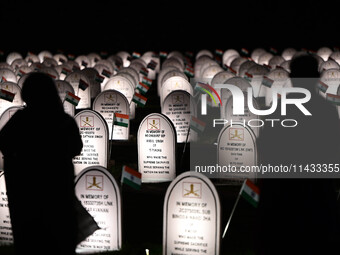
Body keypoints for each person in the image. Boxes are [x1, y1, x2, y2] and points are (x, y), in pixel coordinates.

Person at [257, 55, 340, 255]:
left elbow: (265, 156)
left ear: (292, 78)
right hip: (317, 198)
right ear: (317, 77)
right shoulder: (327, 112)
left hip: (282, 197)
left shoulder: (275, 110)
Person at [0, 73, 83, 255]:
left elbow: (4, 143)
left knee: (31, 242)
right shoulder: (64, 121)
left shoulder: (21, 120)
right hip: (58, 192)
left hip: (27, 194)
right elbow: (76, 148)